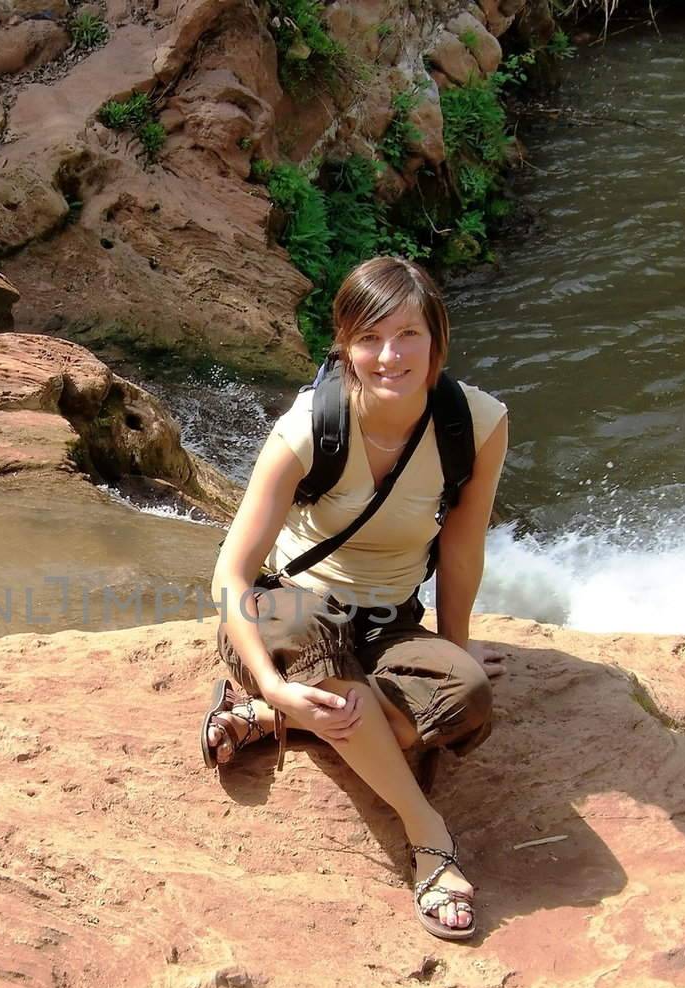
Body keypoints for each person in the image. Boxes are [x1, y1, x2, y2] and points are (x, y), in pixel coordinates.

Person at [200, 256, 508, 941]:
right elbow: (232, 574)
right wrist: (277, 683)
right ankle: (426, 835)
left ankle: (271, 722)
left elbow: (460, 547)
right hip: (291, 612)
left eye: (408, 337)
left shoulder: (476, 425)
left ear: (438, 340)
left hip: (389, 619)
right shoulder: (310, 428)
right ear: (344, 344)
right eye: (369, 338)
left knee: (464, 698)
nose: (389, 356)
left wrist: (455, 649)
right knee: (320, 660)